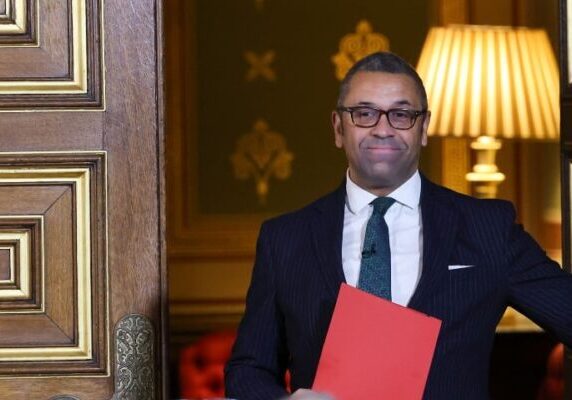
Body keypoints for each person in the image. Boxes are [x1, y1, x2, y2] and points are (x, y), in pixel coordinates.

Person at [224, 51, 572, 399]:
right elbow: (248, 369)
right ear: (338, 128)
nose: (383, 129)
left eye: (401, 114)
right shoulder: (284, 239)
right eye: (364, 113)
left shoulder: (488, 228)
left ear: (423, 128)